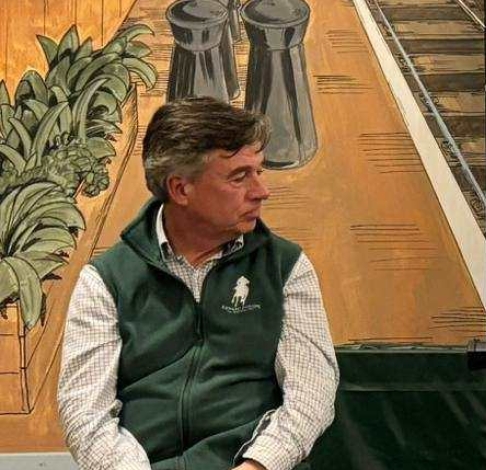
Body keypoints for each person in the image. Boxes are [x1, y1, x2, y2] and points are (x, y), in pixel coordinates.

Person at [57, 98, 338, 470]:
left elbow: (312, 394)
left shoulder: (286, 267)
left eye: (259, 171)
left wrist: (257, 465)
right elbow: (84, 413)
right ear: (180, 189)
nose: (261, 191)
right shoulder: (105, 280)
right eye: (239, 177)